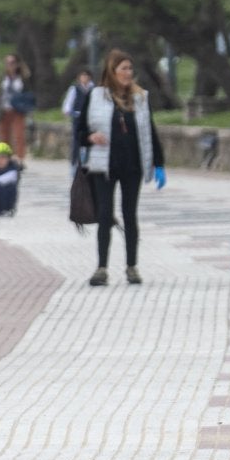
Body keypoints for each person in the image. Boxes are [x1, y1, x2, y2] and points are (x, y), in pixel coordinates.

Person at [74, 49, 166, 286]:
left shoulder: (140, 98)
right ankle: (102, 267)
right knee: (104, 214)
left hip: (132, 165)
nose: (128, 73)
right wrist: (91, 137)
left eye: (130, 68)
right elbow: (80, 131)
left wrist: (159, 163)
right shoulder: (96, 96)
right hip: (103, 165)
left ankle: (132, 266)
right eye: (123, 68)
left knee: (129, 215)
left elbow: (150, 131)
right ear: (112, 71)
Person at [0, 54, 35, 161]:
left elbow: (28, 94)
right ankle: (5, 158)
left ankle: (20, 158)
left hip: (17, 110)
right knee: (3, 135)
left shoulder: (23, 78)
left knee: (19, 135)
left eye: (11, 63)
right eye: (7, 63)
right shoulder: (3, 77)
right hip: (3, 109)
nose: (9, 65)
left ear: (17, 64)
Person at [61, 68, 96, 167]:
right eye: (82, 76)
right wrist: (69, 112)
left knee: (90, 138)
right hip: (78, 117)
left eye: (86, 75)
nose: (84, 78)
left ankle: (88, 160)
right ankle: (74, 160)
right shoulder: (75, 89)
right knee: (76, 139)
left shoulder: (93, 89)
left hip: (90, 118)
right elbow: (68, 104)